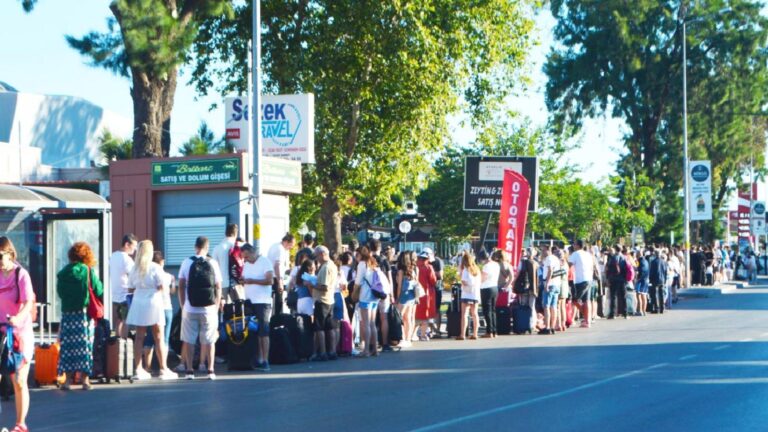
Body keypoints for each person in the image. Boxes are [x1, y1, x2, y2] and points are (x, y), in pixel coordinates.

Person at [125, 240, 177, 380]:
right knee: (158, 336)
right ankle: (163, 368)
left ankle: (138, 369)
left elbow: (130, 288)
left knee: (139, 337)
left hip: (138, 301)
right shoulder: (154, 267)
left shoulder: (135, 268)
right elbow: (162, 286)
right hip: (153, 301)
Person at [57, 241, 103, 391]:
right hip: (84, 315)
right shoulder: (87, 270)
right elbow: (98, 289)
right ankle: (85, 380)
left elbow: (60, 293)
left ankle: (67, 381)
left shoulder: (63, 273)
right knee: (85, 346)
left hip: (68, 315)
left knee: (68, 347)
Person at [0, 237, 35, 432]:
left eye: (0, 257)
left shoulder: (21, 275)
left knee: (19, 380)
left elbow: (28, 302)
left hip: (18, 334)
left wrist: (17, 317)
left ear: (10, 254)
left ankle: (20, 424)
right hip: (0, 332)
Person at [178, 237, 222, 380]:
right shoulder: (213, 263)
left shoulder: (187, 262)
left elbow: (181, 285)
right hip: (209, 309)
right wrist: (215, 306)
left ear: (195, 246)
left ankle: (189, 371)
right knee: (209, 340)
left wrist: (183, 304)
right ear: (207, 247)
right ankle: (210, 370)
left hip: (190, 308)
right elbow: (218, 286)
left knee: (189, 339)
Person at [240, 243, 274, 371]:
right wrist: (243, 280)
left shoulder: (265, 262)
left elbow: (270, 280)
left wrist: (252, 281)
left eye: (247, 256)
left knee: (263, 331)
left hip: (262, 301)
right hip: (250, 301)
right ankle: (258, 358)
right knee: (254, 332)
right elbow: (244, 277)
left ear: (253, 252)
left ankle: (265, 360)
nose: (246, 259)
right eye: (244, 258)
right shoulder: (247, 264)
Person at [142, 251, 176, 371]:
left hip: (152, 308)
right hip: (166, 308)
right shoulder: (167, 276)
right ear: (162, 262)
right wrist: (173, 283)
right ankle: (163, 367)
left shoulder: (147, 274)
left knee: (149, 338)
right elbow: (172, 292)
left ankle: (147, 367)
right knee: (164, 338)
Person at [309, 246, 339, 360]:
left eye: (317, 256)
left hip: (322, 300)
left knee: (319, 328)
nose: (316, 259)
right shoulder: (332, 265)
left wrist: (311, 284)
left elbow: (324, 286)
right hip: (330, 299)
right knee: (330, 327)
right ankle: (332, 351)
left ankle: (323, 352)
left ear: (322, 254)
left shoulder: (326, 267)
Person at [352, 247, 379, 357]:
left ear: (359, 254)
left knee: (366, 324)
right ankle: (375, 349)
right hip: (374, 296)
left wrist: (354, 293)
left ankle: (366, 350)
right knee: (372, 323)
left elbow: (358, 282)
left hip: (365, 296)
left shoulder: (362, 264)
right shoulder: (372, 263)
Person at [110, 233, 137, 339]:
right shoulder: (126, 259)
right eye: (133, 246)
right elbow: (134, 275)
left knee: (119, 319)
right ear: (127, 244)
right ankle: (124, 342)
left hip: (114, 294)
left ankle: (117, 342)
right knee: (126, 320)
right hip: (125, 294)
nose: (134, 250)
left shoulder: (113, 256)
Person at [369, 239, 393, 351]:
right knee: (384, 318)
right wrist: (391, 294)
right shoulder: (384, 260)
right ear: (379, 248)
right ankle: (385, 343)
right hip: (383, 292)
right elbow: (389, 278)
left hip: (371, 292)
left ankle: (371, 343)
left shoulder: (368, 261)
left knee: (370, 319)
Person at [267, 233, 295, 316]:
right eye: (290, 245)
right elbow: (277, 266)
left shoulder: (275, 246)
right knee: (278, 302)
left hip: (272, 277)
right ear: (286, 242)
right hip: (276, 278)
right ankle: (277, 320)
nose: (291, 248)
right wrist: (280, 282)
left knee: (273, 302)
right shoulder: (280, 249)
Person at [569, 240, 594, 327]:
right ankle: (588, 320)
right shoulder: (588, 254)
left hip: (580, 279)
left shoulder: (575, 254)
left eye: (574, 244)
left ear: (578, 245)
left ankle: (587, 317)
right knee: (586, 300)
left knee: (575, 299)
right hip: (589, 278)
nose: (573, 245)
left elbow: (569, 265)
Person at [396, 251, 418, 347]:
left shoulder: (401, 271)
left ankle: (403, 337)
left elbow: (400, 286)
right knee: (408, 318)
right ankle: (408, 339)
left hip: (404, 295)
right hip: (411, 295)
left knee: (399, 317)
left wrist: (397, 298)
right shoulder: (413, 270)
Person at [212, 223, 239, 304]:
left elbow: (213, 267)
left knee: (224, 310)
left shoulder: (217, 247)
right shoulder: (237, 247)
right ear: (236, 233)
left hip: (222, 283)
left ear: (225, 233)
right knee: (239, 310)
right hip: (237, 283)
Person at [458, 251, 481, 340]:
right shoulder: (477, 269)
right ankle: (475, 333)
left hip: (466, 294)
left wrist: (460, 275)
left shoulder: (465, 270)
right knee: (475, 314)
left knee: (464, 314)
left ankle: (463, 334)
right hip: (475, 294)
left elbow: (463, 281)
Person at [415, 251, 437, 341]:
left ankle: (413, 334)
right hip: (426, 293)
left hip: (416, 292)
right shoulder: (428, 267)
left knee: (416, 315)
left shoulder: (415, 267)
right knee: (425, 315)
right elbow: (433, 280)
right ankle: (423, 335)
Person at [539, 245, 561, 334]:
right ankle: (552, 326)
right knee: (553, 306)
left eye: (543, 250)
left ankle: (548, 327)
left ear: (548, 250)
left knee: (546, 306)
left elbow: (550, 270)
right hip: (556, 284)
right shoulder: (555, 258)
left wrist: (547, 283)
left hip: (550, 284)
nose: (542, 252)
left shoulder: (549, 259)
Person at [479, 250, 500, 338]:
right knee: (493, 310)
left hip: (486, 288)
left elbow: (483, 278)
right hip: (495, 287)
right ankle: (494, 331)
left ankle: (489, 331)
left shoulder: (486, 266)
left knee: (487, 310)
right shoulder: (496, 264)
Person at [425, 248, 445, 338]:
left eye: (428, 255)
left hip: (437, 288)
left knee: (436, 309)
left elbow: (440, 275)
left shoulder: (437, 261)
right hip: (428, 288)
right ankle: (431, 329)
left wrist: (430, 272)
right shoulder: (425, 262)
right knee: (428, 309)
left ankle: (438, 328)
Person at [605, 245, 628, 319]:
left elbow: (608, 269)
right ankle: (625, 313)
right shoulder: (624, 258)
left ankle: (612, 313)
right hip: (622, 279)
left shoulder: (612, 258)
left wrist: (608, 279)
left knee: (613, 296)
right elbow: (627, 269)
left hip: (613, 279)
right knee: (623, 296)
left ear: (615, 249)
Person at [648, 249, 668, 314]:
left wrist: (650, 279)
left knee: (655, 294)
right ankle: (662, 308)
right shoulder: (663, 262)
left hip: (655, 280)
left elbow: (652, 272)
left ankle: (656, 308)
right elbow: (665, 272)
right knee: (661, 294)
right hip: (662, 279)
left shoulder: (653, 262)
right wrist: (665, 280)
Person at [634, 251, 650, 317]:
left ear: (638, 255)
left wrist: (638, 278)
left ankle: (640, 310)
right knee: (644, 296)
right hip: (646, 280)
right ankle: (644, 311)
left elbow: (641, 271)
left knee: (639, 295)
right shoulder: (646, 261)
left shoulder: (640, 261)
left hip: (641, 280)